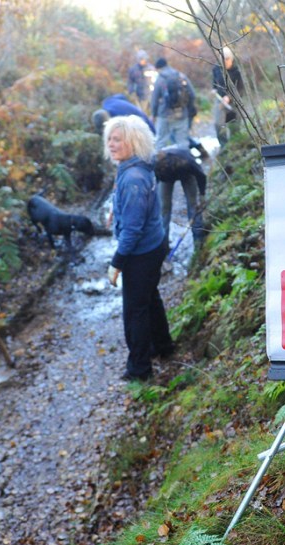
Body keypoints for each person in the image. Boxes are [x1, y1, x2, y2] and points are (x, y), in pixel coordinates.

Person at [104, 115, 175, 381]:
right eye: (110, 138)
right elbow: (132, 206)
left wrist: (117, 262)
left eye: (118, 139)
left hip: (142, 253)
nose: (111, 144)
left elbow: (133, 230)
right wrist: (116, 208)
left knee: (135, 310)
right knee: (149, 298)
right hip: (153, 244)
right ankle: (163, 346)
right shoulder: (134, 166)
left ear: (133, 142)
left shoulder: (133, 177)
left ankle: (139, 369)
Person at [155, 147, 207, 248]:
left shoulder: (188, 163)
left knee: (193, 206)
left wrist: (202, 195)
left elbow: (201, 176)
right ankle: (163, 246)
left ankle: (199, 242)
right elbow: (153, 182)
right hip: (164, 176)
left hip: (186, 174)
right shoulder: (156, 163)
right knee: (164, 209)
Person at [151, 57, 196, 150]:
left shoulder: (160, 79)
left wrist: (153, 115)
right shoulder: (180, 76)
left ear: (158, 68)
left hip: (164, 115)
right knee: (182, 142)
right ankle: (184, 162)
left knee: (161, 141)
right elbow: (192, 94)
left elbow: (154, 99)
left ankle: (160, 163)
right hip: (182, 114)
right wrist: (187, 108)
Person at [212, 46, 244, 146]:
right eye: (222, 59)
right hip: (220, 101)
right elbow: (214, 83)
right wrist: (214, 90)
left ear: (231, 59)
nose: (225, 62)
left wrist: (229, 97)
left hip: (234, 103)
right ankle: (224, 146)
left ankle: (235, 146)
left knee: (234, 125)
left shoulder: (237, 71)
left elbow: (241, 89)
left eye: (227, 59)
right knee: (218, 124)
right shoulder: (216, 68)